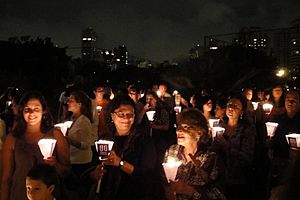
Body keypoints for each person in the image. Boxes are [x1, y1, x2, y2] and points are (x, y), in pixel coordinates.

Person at [1, 91, 70, 200]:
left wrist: (55, 164)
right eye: (27, 109)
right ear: (22, 112)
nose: (31, 113)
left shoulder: (56, 135)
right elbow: (6, 177)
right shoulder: (13, 138)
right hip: (20, 194)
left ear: (44, 111)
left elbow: (67, 172)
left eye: (36, 109)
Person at [89, 94, 158, 199]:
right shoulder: (105, 140)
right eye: (121, 114)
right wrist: (95, 174)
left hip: (134, 194)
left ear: (134, 117)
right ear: (112, 116)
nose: (126, 118)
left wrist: (120, 163)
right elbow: (92, 168)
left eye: (130, 114)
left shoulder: (144, 140)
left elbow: (147, 174)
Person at [164, 108, 227, 200]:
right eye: (179, 126)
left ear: (199, 133)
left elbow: (220, 196)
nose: (179, 130)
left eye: (186, 127)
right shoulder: (172, 152)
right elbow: (163, 181)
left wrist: (189, 191)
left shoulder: (211, 159)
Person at [212, 94, 256, 200]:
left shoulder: (247, 129)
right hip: (219, 177)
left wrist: (227, 146)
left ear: (242, 112)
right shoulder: (220, 126)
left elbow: (247, 158)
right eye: (229, 105)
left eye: (235, 106)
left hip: (237, 179)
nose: (231, 108)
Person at [267, 90, 300, 194]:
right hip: (278, 163)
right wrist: (269, 142)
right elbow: (272, 142)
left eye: (294, 100)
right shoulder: (278, 120)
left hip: (296, 166)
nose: (290, 102)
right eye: (288, 99)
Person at [65, 90, 94, 199]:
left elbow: (86, 145)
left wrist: (69, 140)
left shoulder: (84, 121)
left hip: (81, 163)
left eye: (71, 100)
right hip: (73, 160)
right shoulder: (73, 119)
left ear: (79, 104)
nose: (68, 102)